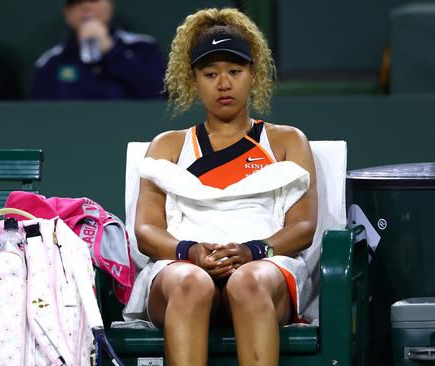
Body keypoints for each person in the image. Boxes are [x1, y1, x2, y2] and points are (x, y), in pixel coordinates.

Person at [124, 7, 318, 366]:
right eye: (210, 73)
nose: (224, 83)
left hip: (262, 266)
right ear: (193, 80)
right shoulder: (167, 145)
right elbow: (147, 229)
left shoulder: (288, 140)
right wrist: (190, 252)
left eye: (234, 71)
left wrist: (254, 251)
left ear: (253, 74)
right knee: (190, 282)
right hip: (183, 267)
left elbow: (303, 226)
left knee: (249, 281)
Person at [31, 0, 165, 100]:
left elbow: (159, 95)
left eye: (93, 0)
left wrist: (111, 51)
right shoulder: (50, 63)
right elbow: (42, 116)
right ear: (66, 13)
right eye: (75, 2)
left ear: (110, 4)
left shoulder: (143, 48)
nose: (86, 6)